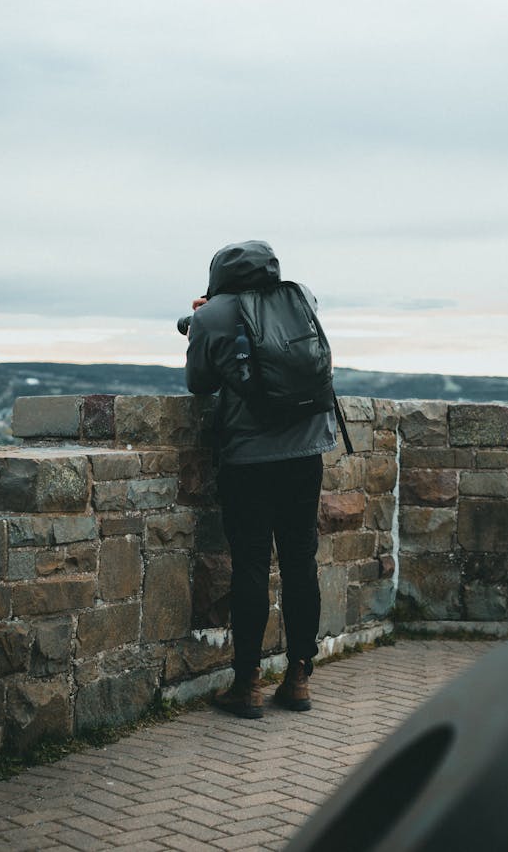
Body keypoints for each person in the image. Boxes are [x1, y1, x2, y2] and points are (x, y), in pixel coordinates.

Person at [185, 240, 337, 719]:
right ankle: (298, 678)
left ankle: (247, 684)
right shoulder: (302, 297)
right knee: (300, 561)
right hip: (308, 448)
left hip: (249, 457)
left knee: (250, 564)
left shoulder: (212, 316)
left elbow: (200, 383)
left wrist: (202, 324)